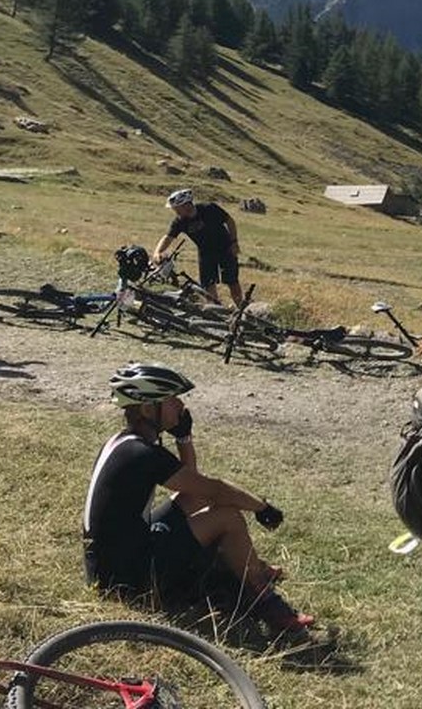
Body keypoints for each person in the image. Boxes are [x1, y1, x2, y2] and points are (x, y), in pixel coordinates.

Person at [83, 362, 315, 637]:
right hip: (128, 581)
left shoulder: (124, 443)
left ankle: (253, 568)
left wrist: (183, 437)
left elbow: (192, 489)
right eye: (171, 400)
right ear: (147, 409)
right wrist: (261, 507)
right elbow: (214, 489)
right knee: (228, 518)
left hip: (108, 568)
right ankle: (267, 603)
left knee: (192, 501)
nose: (180, 405)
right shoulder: (142, 454)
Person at [153, 188, 245, 310]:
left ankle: (241, 309)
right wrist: (158, 252)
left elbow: (230, 221)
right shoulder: (180, 221)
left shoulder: (209, 209)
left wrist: (234, 242)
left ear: (186, 205)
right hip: (205, 253)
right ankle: (215, 311)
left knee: (232, 281)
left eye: (177, 208)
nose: (175, 212)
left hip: (225, 249)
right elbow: (168, 237)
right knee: (208, 284)